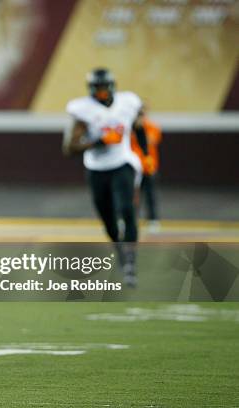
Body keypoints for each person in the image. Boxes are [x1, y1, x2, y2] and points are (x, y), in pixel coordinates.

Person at [62, 68, 148, 286]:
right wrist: (100, 141)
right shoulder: (83, 110)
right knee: (109, 220)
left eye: (104, 87)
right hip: (97, 169)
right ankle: (120, 251)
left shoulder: (127, 102)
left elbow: (139, 124)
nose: (101, 92)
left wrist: (145, 152)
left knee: (127, 209)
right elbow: (69, 147)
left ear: (112, 86)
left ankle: (130, 262)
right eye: (97, 88)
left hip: (122, 164)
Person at [130, 106, 162, 232]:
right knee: (132, 196)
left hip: (148, 166)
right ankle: (131, 220)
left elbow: (151, 140)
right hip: (134, 167)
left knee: (150, 195)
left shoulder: (152, 126)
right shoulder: (129, 127)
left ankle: (153, 220)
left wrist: (138, 131)